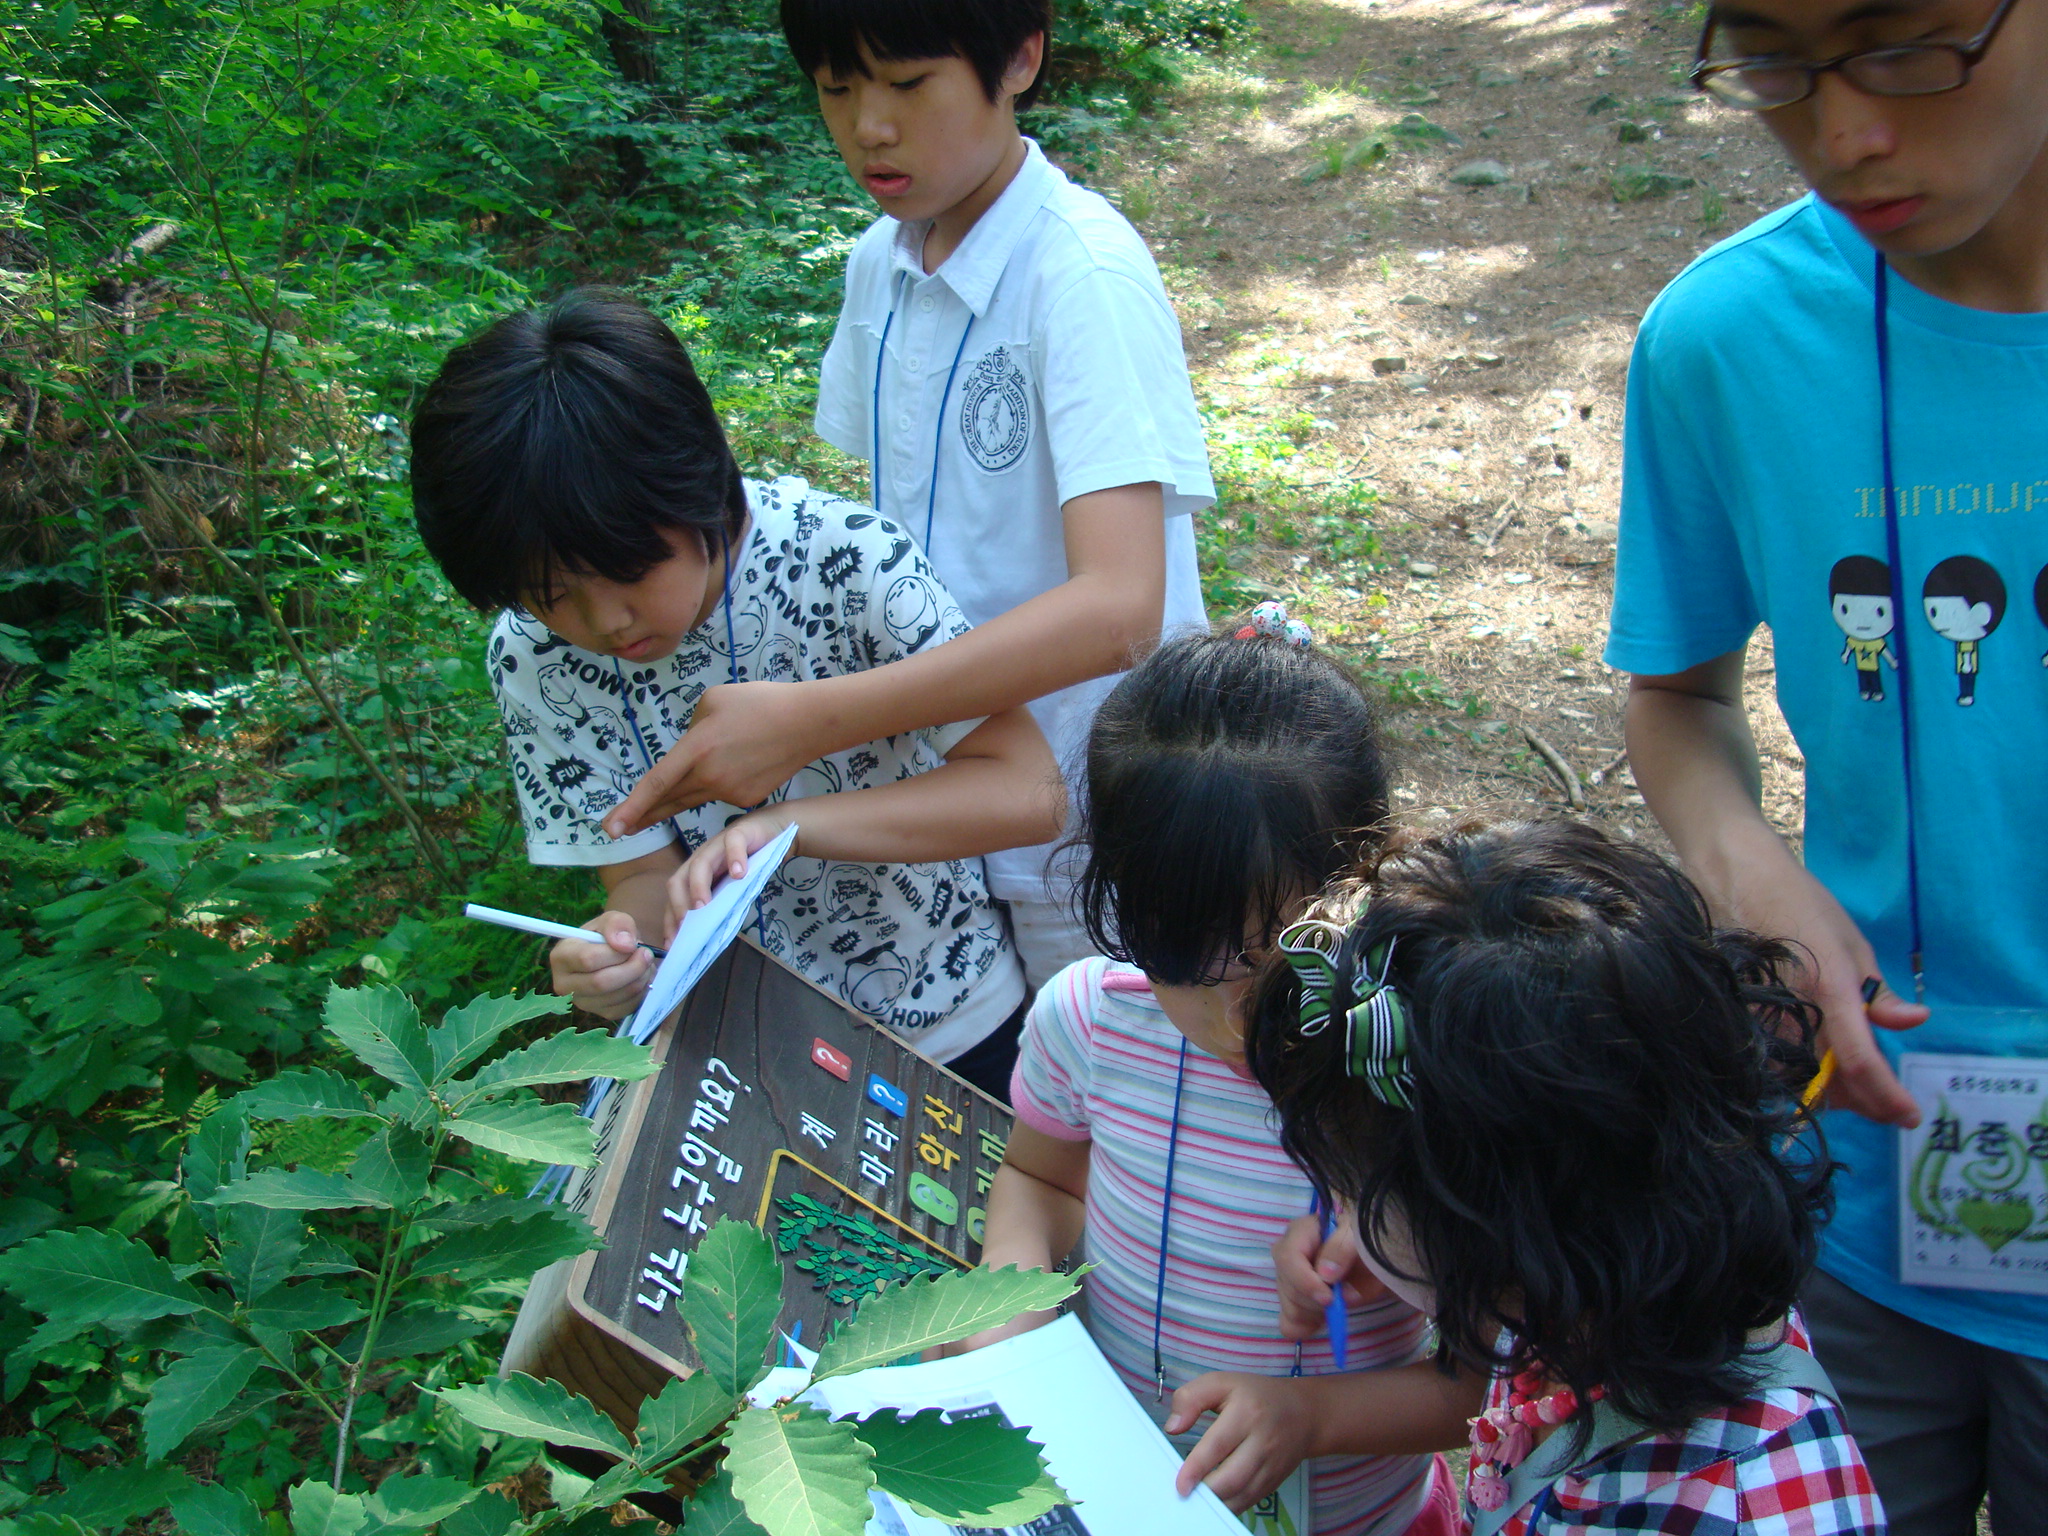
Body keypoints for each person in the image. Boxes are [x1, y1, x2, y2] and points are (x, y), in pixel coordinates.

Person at [1607, 0, 2048, 1525]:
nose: (1843, 130)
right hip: (1864, 1191)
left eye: (1910, 42)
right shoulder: (1729, 337)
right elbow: (1675, 693)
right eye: (1776, 59)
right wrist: (1750, 874)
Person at [600, 0, 1216, 994]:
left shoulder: (1079, 274)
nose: (867, 127)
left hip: (1103, 830)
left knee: (1113, 1116)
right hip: (962, 812)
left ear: (1018, 58)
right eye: (836, 88)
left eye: (907, 83)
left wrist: (814, 719)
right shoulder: (876, 268)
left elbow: (1119, 611)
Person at [408, 289, 1061, 1095]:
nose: (607, 622)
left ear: (695, 479)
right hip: (744, 1058)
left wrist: (784, 827)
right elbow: (644, 878)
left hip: (956, 1023)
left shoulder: (846, 562)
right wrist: (619, 950)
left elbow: (1028, 791)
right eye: (552, 595)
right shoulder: (532, 658)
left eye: (628, 570)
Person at [958, 624, 1472, 1536]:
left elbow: (1484, 1387)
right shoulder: (1092, 1020)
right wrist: (1011, 1294)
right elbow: (1038, 1179)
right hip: (1121, 1496)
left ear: (1367, 874)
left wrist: (1312, 1418)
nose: (1232, 1019)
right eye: (1182, 964)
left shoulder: (1407, 1070)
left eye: (1276, 968)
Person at [1251, 818, 1887, 1536]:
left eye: (1346, 1186)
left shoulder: (1732, 1511)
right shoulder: (1597, 1301)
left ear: (1481, 1226)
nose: (1335, 1213)